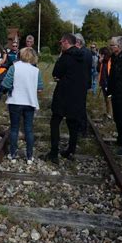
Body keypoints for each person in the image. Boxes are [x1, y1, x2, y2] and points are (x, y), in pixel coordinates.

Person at [41, 33, 86, 164]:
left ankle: (54, 153)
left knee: (55, 122)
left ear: (66, 42)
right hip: (77, 95)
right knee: (73, 124)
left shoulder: (65, 57)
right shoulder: (84, 56)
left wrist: (60, 76)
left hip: (63, 94)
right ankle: (70, 150)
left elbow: (56, 73)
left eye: (61, 43)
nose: (60, 45)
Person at [2, 47, 44, 165]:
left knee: (14, 128)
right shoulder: (36, 71)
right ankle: (29, 157)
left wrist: (11, 89)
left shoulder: (14, 67)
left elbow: (5, 84)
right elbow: (40, 89)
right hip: (30, 102)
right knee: (29, 130)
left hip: (15, 101)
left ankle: (13, 155)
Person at [74, 33, 92, 136]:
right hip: (84, 83)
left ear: (78, 42)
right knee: (81, 105)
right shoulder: (88, 52)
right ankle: (82, 127)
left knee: (80, 106)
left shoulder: (81, 53)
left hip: (80, 83)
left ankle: (82, 128)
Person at [97, 47, 113, 118]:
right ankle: (108, 113)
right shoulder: (102, 61)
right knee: (106, 100)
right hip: (103, 84)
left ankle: (110, 115)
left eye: (100, 54)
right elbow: (98, 70)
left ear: (104, 54)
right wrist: (99, 62)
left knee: (109, 100)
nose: (99, 55)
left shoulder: (111, 61)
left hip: (109, 84)